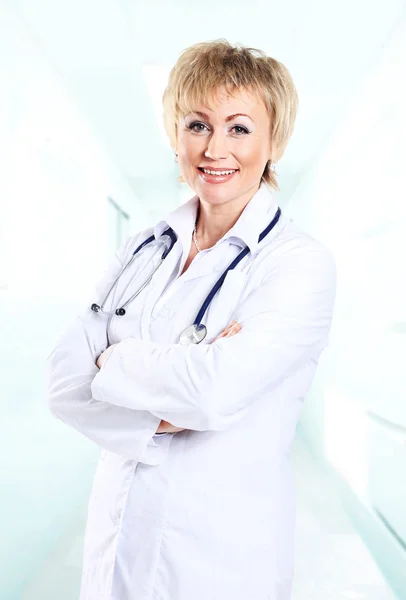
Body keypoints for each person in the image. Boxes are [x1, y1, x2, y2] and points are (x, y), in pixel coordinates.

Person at [47, 39, 336, 600]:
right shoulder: (143, 250)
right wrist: (161, 409)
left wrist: (113, 360)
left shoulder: (298, 263)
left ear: (273, 141)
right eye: (197, 124)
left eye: (239, 128)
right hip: (115, 551)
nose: (214, 147)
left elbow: (209, 392)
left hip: (217, 562)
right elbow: (62, 383)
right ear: (175, 134)